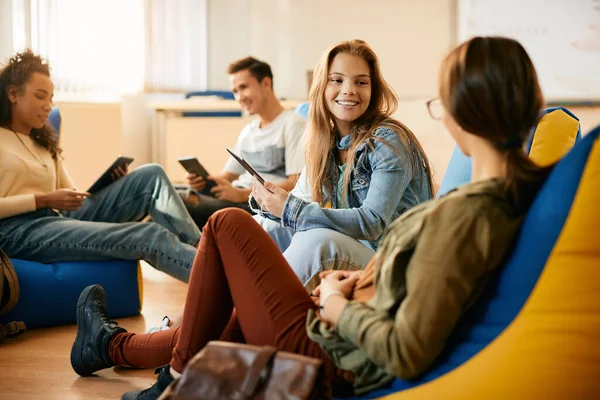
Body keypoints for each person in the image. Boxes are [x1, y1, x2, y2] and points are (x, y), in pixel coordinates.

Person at [70, 36, 554, 399]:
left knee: (226, 226)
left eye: (440, 105)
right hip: (338, 319)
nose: (349, 91)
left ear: (461, 115)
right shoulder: (490, 204)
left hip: (329, 355)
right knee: (244, 254)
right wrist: (353, 282)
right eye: (340, 81)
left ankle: (165, 376)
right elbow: (404, 284)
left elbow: (406, 347)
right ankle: (120, 350)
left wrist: (340, 303)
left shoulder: (464, 215)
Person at [0, 50, 200, 283]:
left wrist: (111, 184)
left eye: (51, 98)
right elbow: (47, 199)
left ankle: (204, 248)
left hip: (57, 218)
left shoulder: (42, 143)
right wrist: (42, 200)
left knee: (151, 175)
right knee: (150, 234)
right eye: (40, 96)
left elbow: (74, 199)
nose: (48, 106)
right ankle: (225, 283)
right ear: (13, 93)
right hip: (15, 232)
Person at [252, 40, 433, 292]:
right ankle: (212, 320)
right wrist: (271, 203)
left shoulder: (387, 140)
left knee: (317, 241)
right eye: (337, 80)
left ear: (373, 90)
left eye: (361, 82)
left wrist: (290, 209)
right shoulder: (325, 143)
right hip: (358, 250)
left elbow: (371, 222)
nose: (349, 90)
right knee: (259, 228)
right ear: (321, 87)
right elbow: (298, 202)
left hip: (393, 266)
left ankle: (256, 320)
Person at [180, 56, 306, 229]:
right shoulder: (249, 131)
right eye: (235, 91)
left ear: (266, 83)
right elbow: (226, 176)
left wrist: (241, 194)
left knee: (181, 204)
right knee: (173, 193)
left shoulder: (293, 124)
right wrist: (202, 180)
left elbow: (296, 183)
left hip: (255, 206)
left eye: (244, 87)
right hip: (238, 196)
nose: (239, 97)